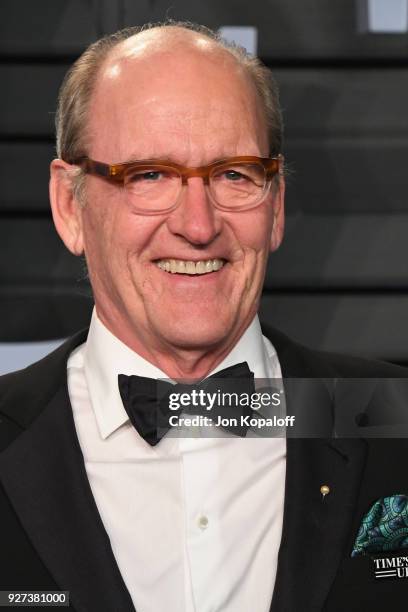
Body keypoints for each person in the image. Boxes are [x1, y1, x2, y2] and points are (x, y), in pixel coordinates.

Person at [0, 21, 407, 612]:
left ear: (276, 207)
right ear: (69, 206)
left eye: (233, 175)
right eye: (150, 176)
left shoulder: (396, 424)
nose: (198, 225)